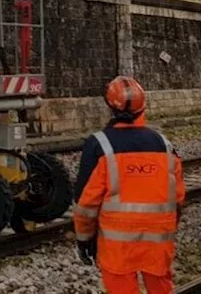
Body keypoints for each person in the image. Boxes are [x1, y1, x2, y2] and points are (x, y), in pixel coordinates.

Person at [73, 76, 186, 294]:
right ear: (142, 107)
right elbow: (178, 196)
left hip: (117, 242)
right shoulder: (163, 144)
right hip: (159, 238)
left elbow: (85, 202)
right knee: (161, 286)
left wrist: (84, 239)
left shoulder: (99, 145)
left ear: (110, 106)